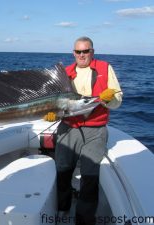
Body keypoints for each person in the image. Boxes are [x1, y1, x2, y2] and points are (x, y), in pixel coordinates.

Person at [54, 37, 123, 225]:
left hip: (96, 130)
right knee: (62, 170)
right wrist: (51, 114)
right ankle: (62, 209)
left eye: (86, 51)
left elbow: (118, 100)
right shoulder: (65, 73)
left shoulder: (104, 68)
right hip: (68, 128)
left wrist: (110, 99)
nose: (82, 55)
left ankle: (84, 220)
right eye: (78, 52)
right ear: (73, 53)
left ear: (92, 51)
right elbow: (54, 104)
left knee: (90, 176)